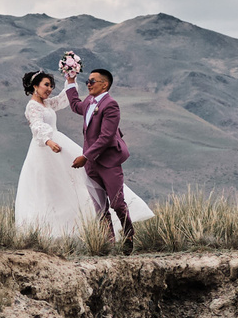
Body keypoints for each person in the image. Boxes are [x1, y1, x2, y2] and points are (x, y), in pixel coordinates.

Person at [14, 70, 153, 240]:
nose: (49, 89)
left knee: (110, 200)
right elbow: (38, 125)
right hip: (48, 149)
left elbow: (66, 101)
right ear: (35, 86)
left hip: (91, 154)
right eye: (46, 85)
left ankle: (127, 234)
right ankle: (106, 240)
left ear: (104, 84)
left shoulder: (50, 104)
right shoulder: (33, 106)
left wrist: (71, 80)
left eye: (51, 85)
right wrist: (48, 141)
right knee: (61, 192)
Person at [61, 61, 138, 248]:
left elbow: (106, 137)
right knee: (99, 206)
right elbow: (75, 106)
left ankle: (128, 235)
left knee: (117, 203)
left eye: (92, 81)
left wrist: (85, 156)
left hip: (108, 161)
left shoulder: (111, 105)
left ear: (104, 84)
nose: (88, 84)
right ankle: (108, 243)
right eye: (87, 81)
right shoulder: (89, 101)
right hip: (91, 164)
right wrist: (70, 81)